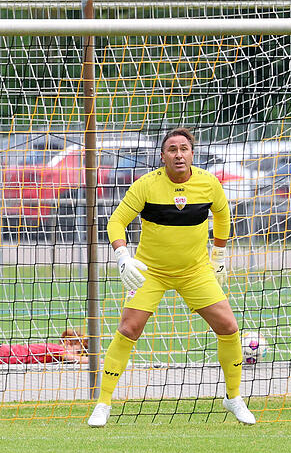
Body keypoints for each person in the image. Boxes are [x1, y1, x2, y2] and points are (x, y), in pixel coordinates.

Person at [87, 127, 255, 428]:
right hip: (150, 272)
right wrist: (123, 256)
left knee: (229, 326)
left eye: (184, 149)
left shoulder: (209, 183)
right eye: (172, 149)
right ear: (163, 156)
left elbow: (223, 214)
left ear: (192, 153)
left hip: (195, 272)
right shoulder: (146, 185)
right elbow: (116, 222)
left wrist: (218, 256)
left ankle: (233, 397)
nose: (179, 154)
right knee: (128, 329)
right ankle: (103, 403)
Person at [0, 329, 88, 364]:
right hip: (4, 354)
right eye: (78, 352)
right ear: (67, 343)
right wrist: (98, 361)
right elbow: (71, 358)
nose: (78, 355)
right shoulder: (58, 349)